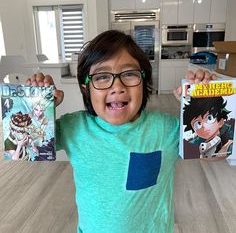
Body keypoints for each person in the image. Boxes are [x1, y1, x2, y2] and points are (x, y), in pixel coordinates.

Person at [26, 30, 216, 233]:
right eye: (101, 77)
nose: (117, 86)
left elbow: (215, 152)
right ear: (85, 89)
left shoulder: (166, 129)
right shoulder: (74, 128)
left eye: (129, 74)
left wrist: (204, 102)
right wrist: (37, 104)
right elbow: (30, 146)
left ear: (144, 82)